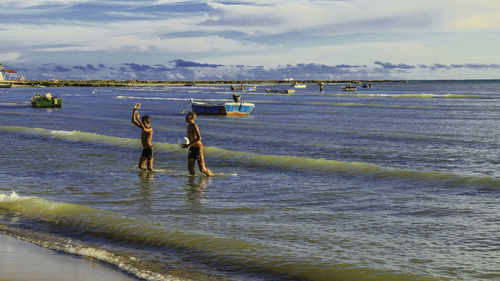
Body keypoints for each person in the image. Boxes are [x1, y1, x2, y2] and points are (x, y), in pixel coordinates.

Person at [182, 112, 213, 176]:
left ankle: (211, 176)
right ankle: (192, 184)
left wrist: (188, 145)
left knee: (202, 169)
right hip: (192, 148)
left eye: (188, 116)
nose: (186, 117)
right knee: (190, 168)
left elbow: (199, 138)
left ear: (192, 118)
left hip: (198, 148)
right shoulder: (188, 126)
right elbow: (190, 138)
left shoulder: (194, 126)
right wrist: (185, 143)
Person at [131, 103, 155, 171]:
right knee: (141, 167)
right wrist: (134, 110)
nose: (142, 124)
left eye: (144, 123)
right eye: (142, 123)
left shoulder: (150, 129)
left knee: (149, 168)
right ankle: (144, 180)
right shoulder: (142, 127)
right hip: (144, 149)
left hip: (150, 150)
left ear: (148, 123)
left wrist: (138, 118)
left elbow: (144, 129)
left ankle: (152, 179)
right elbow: (133, 121)